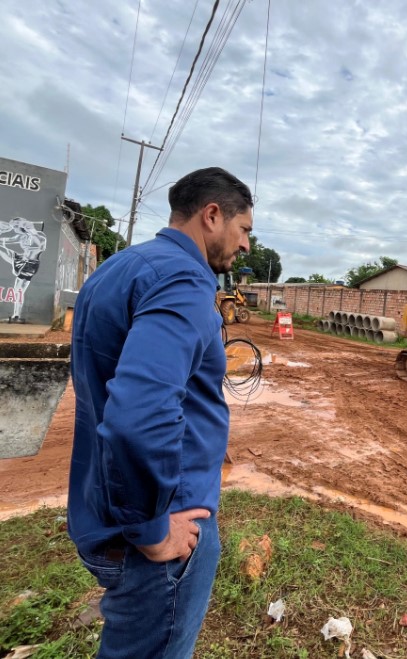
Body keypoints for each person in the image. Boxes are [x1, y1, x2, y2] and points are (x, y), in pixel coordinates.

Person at [67, 167, 254, 658]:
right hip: (165, 529)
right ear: (212, 216)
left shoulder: (118, 267)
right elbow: (139, 415)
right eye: (245, 229)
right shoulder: (185, 281)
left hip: (106, 507)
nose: (248, 245)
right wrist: (152, 530)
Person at [0, 218, 48, 322]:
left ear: (20, 226)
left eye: (15, 227)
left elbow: (40, 245)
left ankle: (16, 316)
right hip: (24, 262)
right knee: (19, 290)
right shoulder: (21, 236)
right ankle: (16, 315)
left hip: (29, 264)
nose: (13, 229)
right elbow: (6, 241)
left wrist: (31, 230)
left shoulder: (39, 236)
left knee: (18, 290)